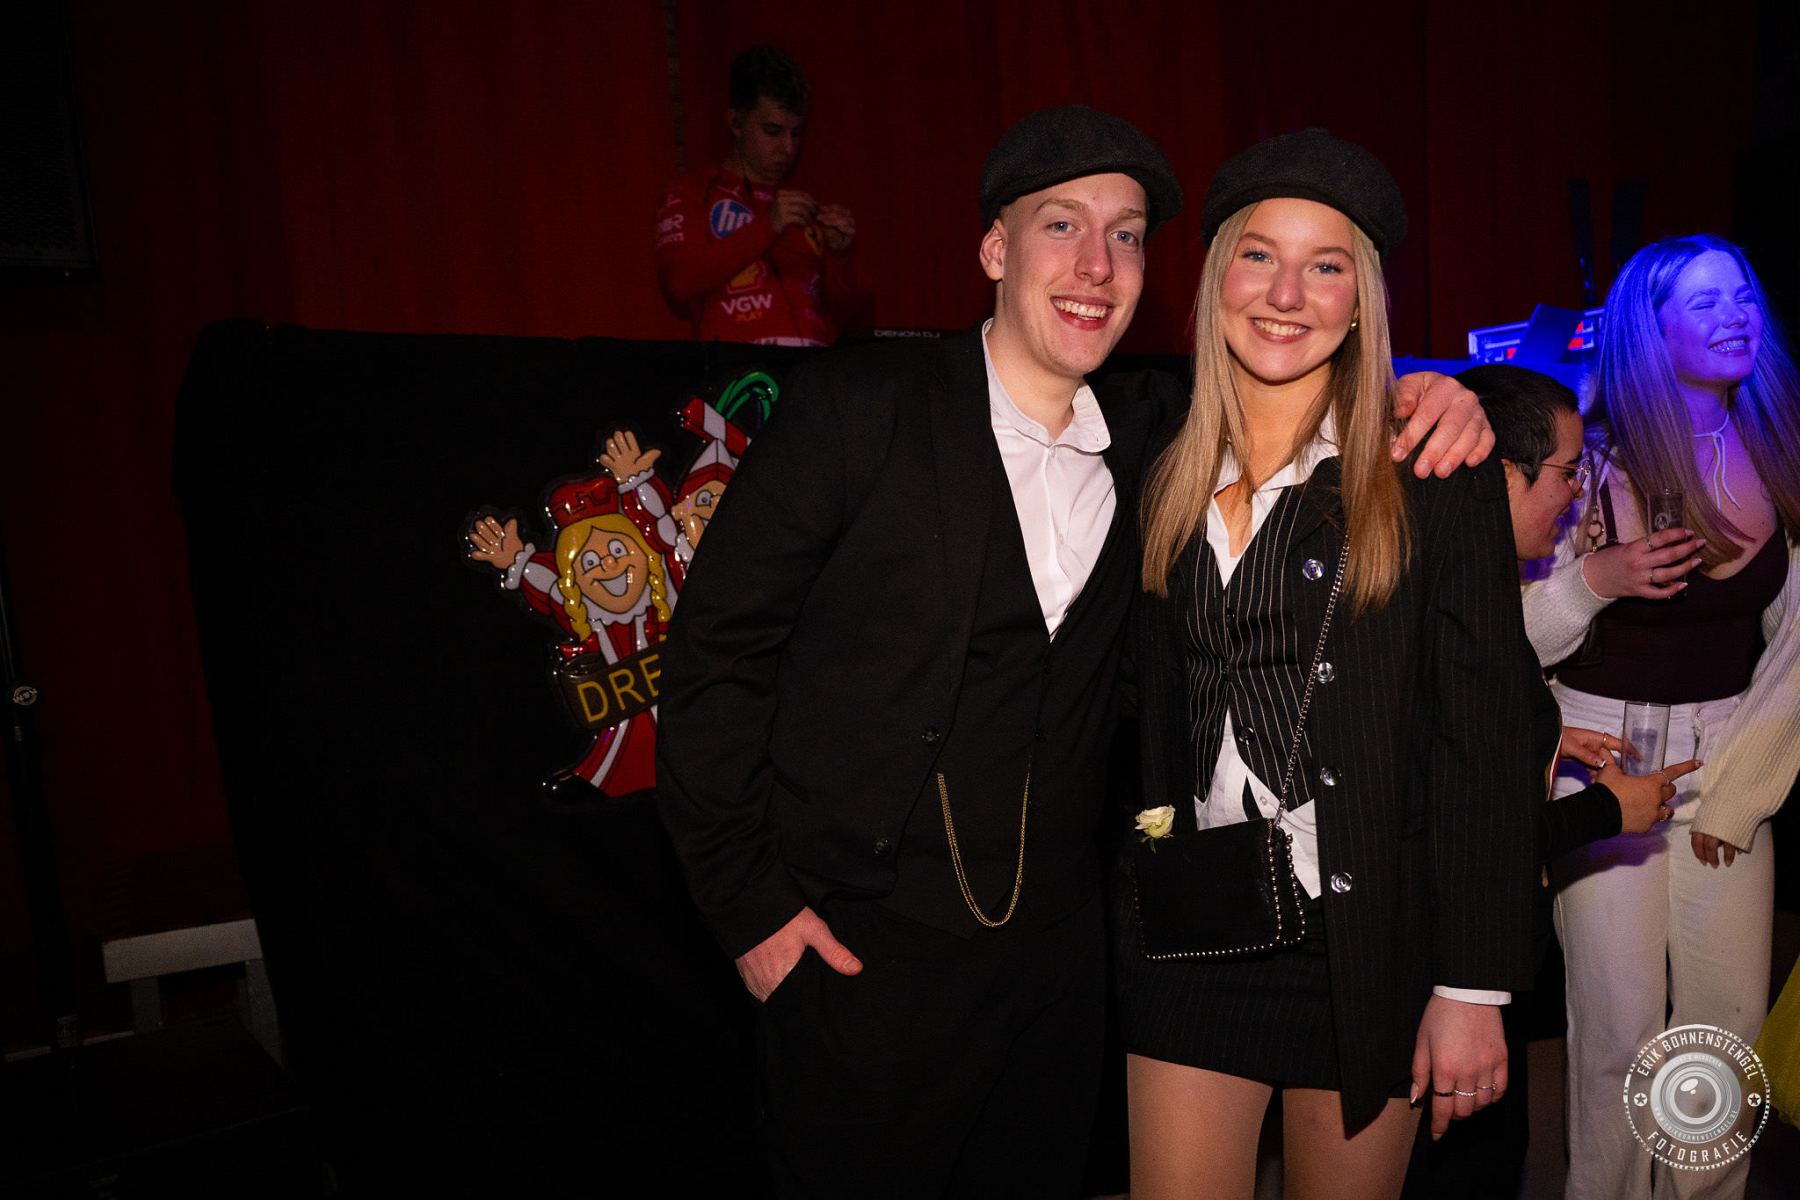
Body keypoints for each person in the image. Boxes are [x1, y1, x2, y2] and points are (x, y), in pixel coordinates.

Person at [655, 108, 1491, 1197]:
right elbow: (713, 660)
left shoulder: (1152, 441)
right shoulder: (858, 411)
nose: (1096, 264)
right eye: (1061, 225)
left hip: (1058, 979)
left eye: (1127, 235)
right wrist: (751, 908)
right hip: (861, 963)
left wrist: (1430, 390)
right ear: (994, 250)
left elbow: (1304, 388)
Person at [1118, 130, 1540, 1200]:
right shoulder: (1153, 461)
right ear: (1217, 277)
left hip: (1366, 945)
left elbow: (1487, 737)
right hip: (1191, 928)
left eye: (1326, 265)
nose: (1285, 294)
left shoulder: (1429, 474)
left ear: (1362, 302)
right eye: (1259, 255)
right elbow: (1137, 712)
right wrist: (1148, 853)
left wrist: (1474, 985)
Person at [1522, 234, 1800, 1200]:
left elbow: (1796, 651)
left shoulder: (1781, 449)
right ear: (1651, 327)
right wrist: (1595, 580)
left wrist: (1743, 789)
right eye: (1706, 302)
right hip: (1603, 754)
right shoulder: (1585, 462)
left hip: (1731, 756)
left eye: (1744, 296)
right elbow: (1510, 640)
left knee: (1722, 1033)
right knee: (1617, 1031)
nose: (1736, 316)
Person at [1404, 363, 1701, 1198]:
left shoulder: (1463, 583)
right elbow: (1462, 828)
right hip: (1443, 970)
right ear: (1504, 474)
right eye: (1568, 472)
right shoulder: (1454, 607)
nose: (1575, 496)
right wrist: (1608, 810)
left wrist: (1546, 734)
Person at [653, 44, 870, 346]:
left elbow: (852, 319)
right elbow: (680, 282)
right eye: (773, 131)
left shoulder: (806, 211)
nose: (788, 148)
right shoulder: (691, 191)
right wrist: (768, 226)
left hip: (810, 367)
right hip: (737, 366)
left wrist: (840, 257)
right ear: (735, 122)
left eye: (796, 133)